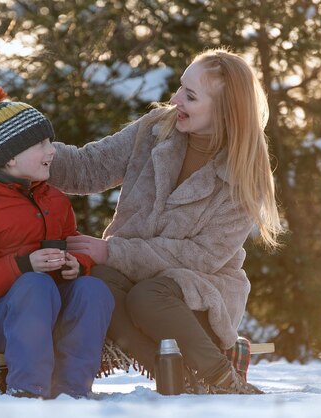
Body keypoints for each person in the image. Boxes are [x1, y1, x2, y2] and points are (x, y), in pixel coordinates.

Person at [41, 48, 283, 394]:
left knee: (148, 296)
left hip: (196, 293)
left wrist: (114, 252)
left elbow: (201, 256)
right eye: (180, 88)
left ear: (224, 111)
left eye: (190, 95)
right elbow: (88, 167)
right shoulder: (156, 130)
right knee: (96, 282)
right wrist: (34, 149)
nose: (175, 98)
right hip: (130, 279)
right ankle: (179, 381)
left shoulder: (242, 175)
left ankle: (221, 378)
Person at [0, 83, 114, 399]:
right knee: (36, 285)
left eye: (49, 141)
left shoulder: (55, 201)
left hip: (49, 313)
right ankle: (27, 391)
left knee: (93, 290)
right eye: (40, 144)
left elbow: (71, 244)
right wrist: (22, 266)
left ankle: (73, 391)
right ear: (9, 159)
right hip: (0, 326)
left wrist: (77, 265)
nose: (52, 150)